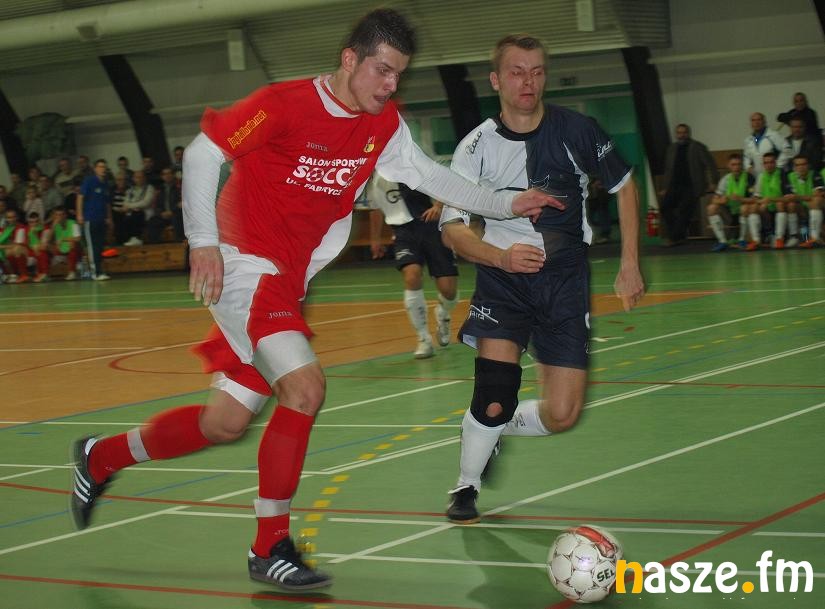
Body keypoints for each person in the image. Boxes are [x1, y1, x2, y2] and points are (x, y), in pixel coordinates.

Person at [69, 9, 558, 593]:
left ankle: (99, 457)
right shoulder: (283, 104)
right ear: (350, 59)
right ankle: (269, 546)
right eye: (382, 70)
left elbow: (430, 175)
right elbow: (203, 153)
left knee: (223, 423)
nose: (390, 85)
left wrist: (505, 204)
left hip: (284, 282)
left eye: (398, 74)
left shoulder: (381, 123)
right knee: (304, 388)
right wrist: (203, 243)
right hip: (245, 266)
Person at [438, 34, 644, 524]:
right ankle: (466, 484)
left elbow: (624, 186)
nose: (527, 82)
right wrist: (500, 258)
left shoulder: (577, 130)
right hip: (503, 280)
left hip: (564, 282)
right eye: (516, 72)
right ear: (496, 80)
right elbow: (452, 230)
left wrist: (630, 263)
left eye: (536, 72)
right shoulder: (476, 148)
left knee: (563, 414)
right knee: (494, 391)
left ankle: (493, 426)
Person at [367, 174, 458, 358]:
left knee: (449, 291)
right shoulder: (373, 178)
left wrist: (438, 206)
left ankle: (443, 312)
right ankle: (423, 339)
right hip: (403, 232)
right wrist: (375, 238)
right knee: (411, 275)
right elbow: (374, 208)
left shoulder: (412, 166)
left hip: (431, 226)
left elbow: (443, 183)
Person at [658, 124, 718, 245]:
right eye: (679, 133)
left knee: (684, 210)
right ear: (676, 134)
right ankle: (679, 234)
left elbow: (710, 164)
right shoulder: (672, 148)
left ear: (688, 133)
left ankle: (674, 238)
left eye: (684, 132)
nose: (681, 135)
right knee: (665, 207)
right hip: (674, 184)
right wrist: (665, 187)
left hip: (691, 185)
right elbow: (668, 169)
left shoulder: (697, 147)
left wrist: (713, 181)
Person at [707, 153, 756, 252]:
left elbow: (755, 199)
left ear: (741, 165)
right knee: (711, 208)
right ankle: (722, 241)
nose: (736, 167)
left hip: (744, 209)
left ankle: (742, 239)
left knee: (745, 208)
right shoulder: (725, 179)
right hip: (729, 211)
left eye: (738, 164)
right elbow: (714, 199)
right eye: (733, 165)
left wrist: (740, 199)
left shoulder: (749, 177)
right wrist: (721, 200)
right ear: (728, 166)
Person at [76, 159, 113, 281]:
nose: (103, 169)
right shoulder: (89, 181)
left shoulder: (105, 183)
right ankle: (94, 272)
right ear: (95, 169)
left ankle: (100, 270)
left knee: (99, 246)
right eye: (100, 167)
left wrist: (109, 218)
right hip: (90, 218)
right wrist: (80, 215)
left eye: (104, 167)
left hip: (101, 219)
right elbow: (80, 197)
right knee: (92, 246)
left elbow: (107, 203)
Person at [784, 155, 824, 248]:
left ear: (808, 165)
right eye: (798, 165)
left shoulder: (815, 174)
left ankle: (814, 238)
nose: (801, 167)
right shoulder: (790, 177)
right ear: (794, 167)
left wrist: (798, 197)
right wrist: (802, 199)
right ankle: (794, 237)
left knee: (816, 201)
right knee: (791, 204)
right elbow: (789, 197)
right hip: (801, 207)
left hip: (816, 207)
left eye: (803, 164)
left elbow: (818, 194)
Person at [753, 152, 790, 248]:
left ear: (775, 163)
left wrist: (771, 199)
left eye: (771, 162)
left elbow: (788, 198)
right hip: (767, 206)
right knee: (754, 207)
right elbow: (756, 197)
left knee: (780, 204)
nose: (769, 165)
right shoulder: (761, 176)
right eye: (766, 163)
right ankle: (756, 240)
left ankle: (779, 238)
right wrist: (761, 202)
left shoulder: (782, 174)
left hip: (781, 205)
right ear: (763, 164)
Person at [742, 112, 791, 177]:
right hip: (758, 177)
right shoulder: (749, 140)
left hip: (775, 175)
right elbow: (746, 157)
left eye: (759, 120)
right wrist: (748, 167)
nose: (756, 122)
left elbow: (787, 150)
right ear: (751, 124)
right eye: (753, 120)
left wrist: (778, 165)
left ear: (764, 121)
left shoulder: (774, 135)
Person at [42, 205, 82, 280]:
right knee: (45, 246)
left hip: (73, 250)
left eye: (61, 215)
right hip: (60, 250)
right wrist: (53, 226)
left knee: (72, 244)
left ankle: (72, 272)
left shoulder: (73, 223)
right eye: (57, 215)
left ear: (65, 215)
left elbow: (78, 238)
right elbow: (47, 240)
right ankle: (45, 274)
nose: (59, 217)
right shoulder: (55, 225)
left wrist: (63, 239)